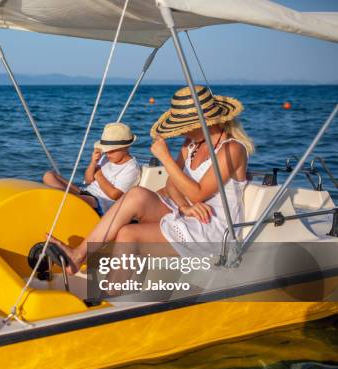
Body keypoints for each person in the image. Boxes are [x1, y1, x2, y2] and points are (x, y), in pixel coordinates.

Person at [48, 85, 254, 274]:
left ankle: (115, 295)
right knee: (136, 195)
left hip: (214, 228)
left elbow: (198, 193)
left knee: (128, 234)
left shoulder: (232, 149)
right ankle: (79, 255)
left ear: (205, 120)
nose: (183, 131)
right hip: (188, 212)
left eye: (186, 125)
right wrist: (183, 206)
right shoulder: (191, 145)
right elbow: (171, 184)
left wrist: (164, 158)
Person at [43, 122, 141, 215]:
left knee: (64, 199)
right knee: (49, 176)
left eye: (112, 150)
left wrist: (98, 174)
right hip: (87, 192)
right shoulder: (107, 158)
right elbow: (88, 180)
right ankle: (60, 196)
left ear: (126, 147)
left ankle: (59, 199)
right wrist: (93, 162)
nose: (108, 153)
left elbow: (114, 195)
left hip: (100, 202)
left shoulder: (131, 168)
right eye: (106, 150)